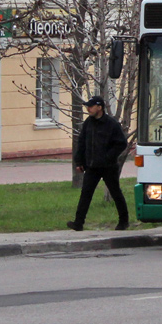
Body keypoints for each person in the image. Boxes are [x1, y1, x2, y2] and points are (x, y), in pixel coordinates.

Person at [68, 96, 130, 231]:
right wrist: (79, 161)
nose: (88, 109)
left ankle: (123, 221)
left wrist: (108, 157)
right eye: (87, 106)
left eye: (91, 106)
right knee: (86, 193)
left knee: (115, 193)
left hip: (108, 167)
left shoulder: (111, 124)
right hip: (92, 166)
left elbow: (121, 143)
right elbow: (82, 142)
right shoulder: (88, 123)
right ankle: (78, 223)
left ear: (99, 107)